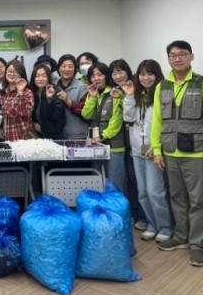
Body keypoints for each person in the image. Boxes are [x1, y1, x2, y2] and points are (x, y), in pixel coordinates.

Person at [151, 41, 203, 267]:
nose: (178, 58)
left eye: (183, 54)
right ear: (168, 59)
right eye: (173, 55)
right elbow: (157, 121)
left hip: (197, 153)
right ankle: (181, 236)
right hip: (171, 152)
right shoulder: (162, 86)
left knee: (198, 201)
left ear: (191, 57)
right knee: (177, 197)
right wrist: (156, 150)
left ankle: (197, 244)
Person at [122, 60, 172, 243]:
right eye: (142, 74)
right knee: (142, 191)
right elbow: (128, 118)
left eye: (150, 74)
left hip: (154, 150)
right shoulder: (137, 95)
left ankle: (165, 226)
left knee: (155, 191)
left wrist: (156, 146)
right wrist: (128, 96)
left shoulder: (164, 95)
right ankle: (152, 224)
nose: (146, 78)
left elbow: (166, 124)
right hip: (137, 149)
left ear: (157, 75)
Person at [109, 59, 146, 230]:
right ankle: (131, 213)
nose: (117, 76)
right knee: (125, 178)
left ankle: (142, 215)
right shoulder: (115, 91)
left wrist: (126, 96)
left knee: (135, 178)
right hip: (122, 139)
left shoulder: (136, 88)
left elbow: (132, 113)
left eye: (120, 72)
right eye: (114, 73)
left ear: (128, 72)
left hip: (139, 138)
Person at [82, 62, 126, 192]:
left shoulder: (115, 93)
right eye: (93, 76)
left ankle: (116, 212)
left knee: (114, 185)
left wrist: (103, 136)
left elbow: (117, 119)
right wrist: (93, 98)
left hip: (114, 146)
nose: (96, 78)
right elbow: (86, 114)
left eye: (100, 75)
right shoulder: (92, 93)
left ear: (107, 76)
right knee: (98, 184)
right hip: (96, 146)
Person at [0, 60, 34, 141]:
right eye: (9, 71)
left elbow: (23, 112)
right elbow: (1, 115)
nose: (12, 74)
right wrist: (0, 127)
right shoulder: (1, 94)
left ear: (21, 74)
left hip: (23, 139)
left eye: (16, 72)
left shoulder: (27, 92)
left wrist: (20, 92)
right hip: (7, 139)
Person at [55, 54, 88, 139]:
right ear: (58, 68)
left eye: (70, 66)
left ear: (75, 69)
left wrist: (68, 101)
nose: (67, 69)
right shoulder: (53, 86)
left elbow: (85, 112)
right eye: (63, 66)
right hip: (58, 135)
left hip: (77, 135)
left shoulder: (83, 87)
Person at [29, 63, 66, 139]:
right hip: (36, 137)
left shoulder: (56, 92)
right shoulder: (32, 93)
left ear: (48, 78)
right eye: (37, 76)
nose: (40, 79)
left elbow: (57, 118)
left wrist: (50, 99)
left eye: (44, 76)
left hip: (54, 138)